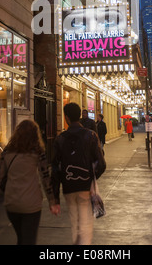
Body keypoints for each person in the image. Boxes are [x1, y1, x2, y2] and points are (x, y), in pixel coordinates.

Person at [51, 103, 106, 245]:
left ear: (67, 118)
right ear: (80, 117)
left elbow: (55, 169)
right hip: (86, 187)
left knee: (74, 221)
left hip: (68, 187)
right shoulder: (91, 136)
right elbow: (101, 164)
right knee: (86, 223)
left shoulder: (60, 139)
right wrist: (91, 177)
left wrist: (55, 198)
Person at [0, 119, 60, 245]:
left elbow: (0, 175)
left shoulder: (7, 152)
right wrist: (52, 202)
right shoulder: (37, 153)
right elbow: (45, 178)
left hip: (11, 202)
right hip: (31, 204)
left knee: (21, 238)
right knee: (29, 240)